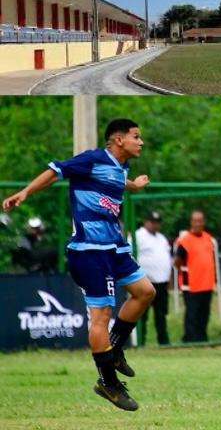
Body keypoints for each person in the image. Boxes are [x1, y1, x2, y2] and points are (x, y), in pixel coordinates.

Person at [2, 119, 154, 411]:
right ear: (118, 140)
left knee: (145, 292)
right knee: (101, 315)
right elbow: (55, 170)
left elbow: (114, 181)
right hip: (89, 250)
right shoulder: (92, 159)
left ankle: (115, 348)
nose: (141, 142)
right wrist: (25, 192)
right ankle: (108, 383)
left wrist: (134, 185)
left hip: (114, 246)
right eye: (136, 136)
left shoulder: (120, 167)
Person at [175, 210, 216, 343]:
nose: (198, 223)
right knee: (192, 313)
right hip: (191, 284)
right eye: (195, 220)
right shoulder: (185, 240)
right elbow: (178, 261)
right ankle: (190, 338)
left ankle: (202, 337)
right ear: (191, 222)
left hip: (207, 283)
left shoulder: (208, 238)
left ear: (203, 222)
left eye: (200, 220)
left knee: (204, 313)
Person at [132, 211, 172, 346]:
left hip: (161, 282)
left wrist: (168, 277)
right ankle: (140, 341)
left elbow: (167, 258)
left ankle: (163, 341)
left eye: (157, 223)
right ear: (145, 221)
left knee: (161, 314)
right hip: (145, 282)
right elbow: (128, 256)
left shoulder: (161, 238)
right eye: (152, 222)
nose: (155, 225)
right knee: (142, 314)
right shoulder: (137, 236)